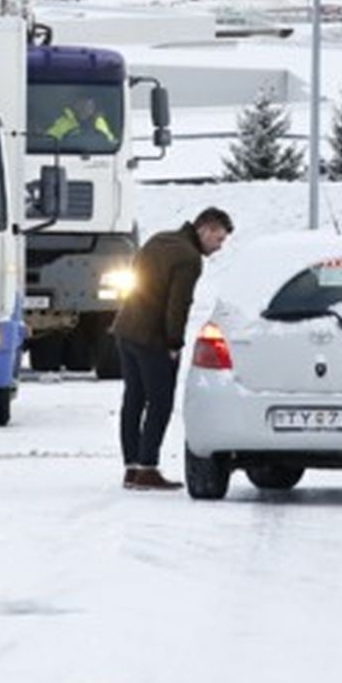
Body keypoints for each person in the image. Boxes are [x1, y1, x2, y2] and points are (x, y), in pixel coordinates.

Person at [111, 206, 234, 491]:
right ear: (206, 229)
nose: (218, 248)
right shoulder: (189, 258)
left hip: (126, 329)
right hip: (152, 338)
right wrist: (173, 343)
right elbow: (177, 304)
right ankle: (147, 469)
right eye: (219, 240)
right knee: (160, 403)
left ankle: (131, 468)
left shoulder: (159, 240)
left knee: (133, 400)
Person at [45, 96, 117, 147]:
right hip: (65, 156)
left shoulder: (99, 121)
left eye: (89, 106)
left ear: (93, 108)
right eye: (82, 104)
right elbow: (48, 140)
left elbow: (110, 142)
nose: (85, 108)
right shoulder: (64, 121)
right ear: (75, 104)